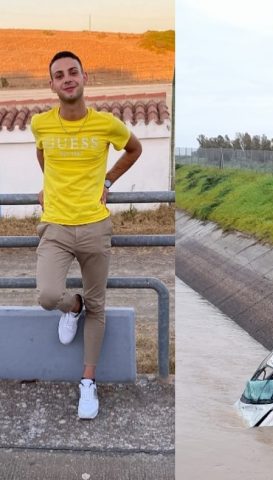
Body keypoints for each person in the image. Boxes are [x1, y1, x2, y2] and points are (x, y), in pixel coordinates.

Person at [31, 51, 142, 419]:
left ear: (83, 77)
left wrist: (108, 180)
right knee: (48, 295)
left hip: (96, 225)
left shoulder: (106, 123)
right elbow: (43, 154)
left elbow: (134, 148)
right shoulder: (40, 124)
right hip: (57, 226)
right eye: (59, 74)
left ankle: (88, 383)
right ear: (52, 84)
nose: (67, 78)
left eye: (72, 72)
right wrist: (48, 185)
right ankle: (71, 306)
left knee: (99, 306)